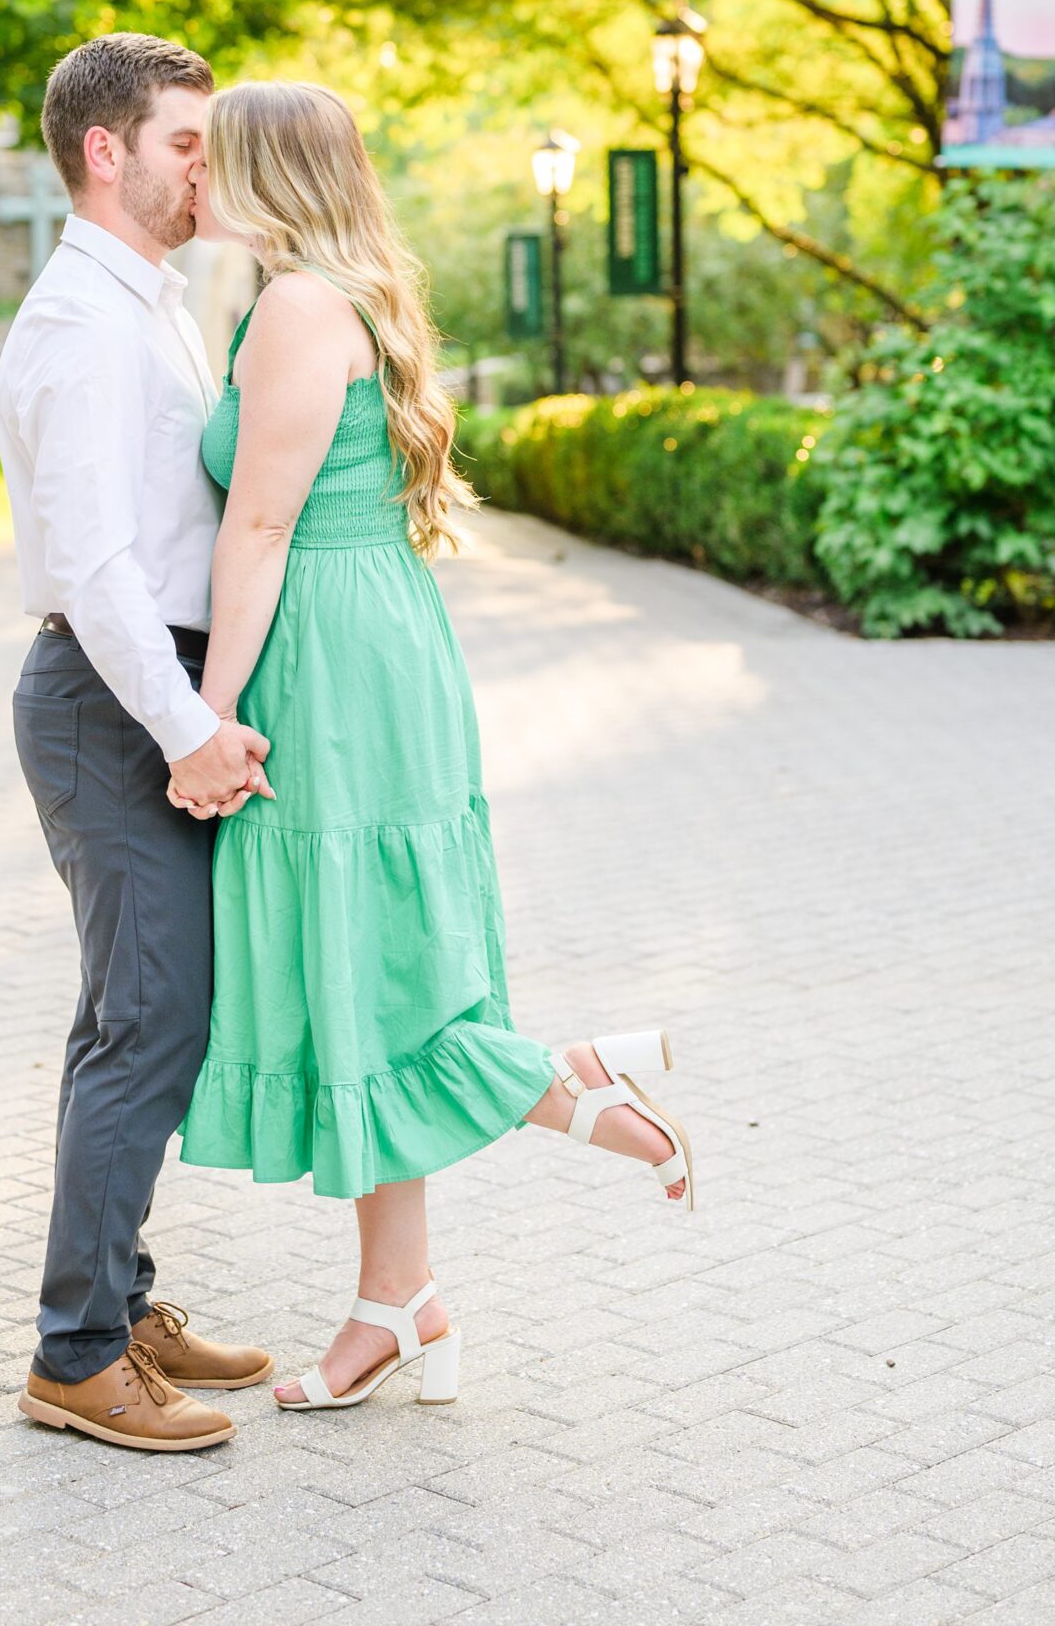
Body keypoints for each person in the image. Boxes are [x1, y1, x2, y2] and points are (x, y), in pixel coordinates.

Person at [177, 80, 694, 1411]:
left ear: (262, 172)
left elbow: (262, 527)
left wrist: (212, 716)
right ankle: (397, 1300)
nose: (194, 173)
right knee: (366, 957)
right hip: (377, 633)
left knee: (369, 965)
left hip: (329, 653)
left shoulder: (296, 306)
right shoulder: (343, 288)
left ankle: (570, 1088)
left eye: (211, 152)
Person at [0, 33, 276, 1455]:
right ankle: (79, 1354)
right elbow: (99, 568)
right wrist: (190, 731)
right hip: (115, 700)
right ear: (105, 151)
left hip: (137, 691)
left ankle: (121, 1299)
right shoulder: (84, 325)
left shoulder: (149, 302)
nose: (203, 165)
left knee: (136, 1015)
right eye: (184, 142)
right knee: (147, 1019)